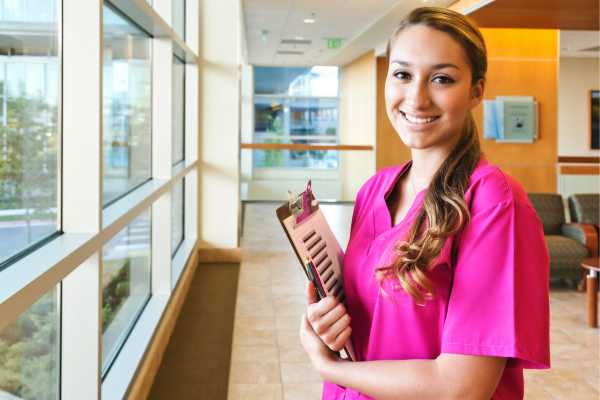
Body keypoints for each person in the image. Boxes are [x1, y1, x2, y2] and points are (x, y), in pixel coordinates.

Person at [299, 7, 550, 400]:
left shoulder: (493, 203)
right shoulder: (375, 189)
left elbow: (461, 388)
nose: (416, 98)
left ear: (476, 91)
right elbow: (370, 317)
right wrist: (324, 325)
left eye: (442, 78)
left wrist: (330, 367)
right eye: (402, 74)